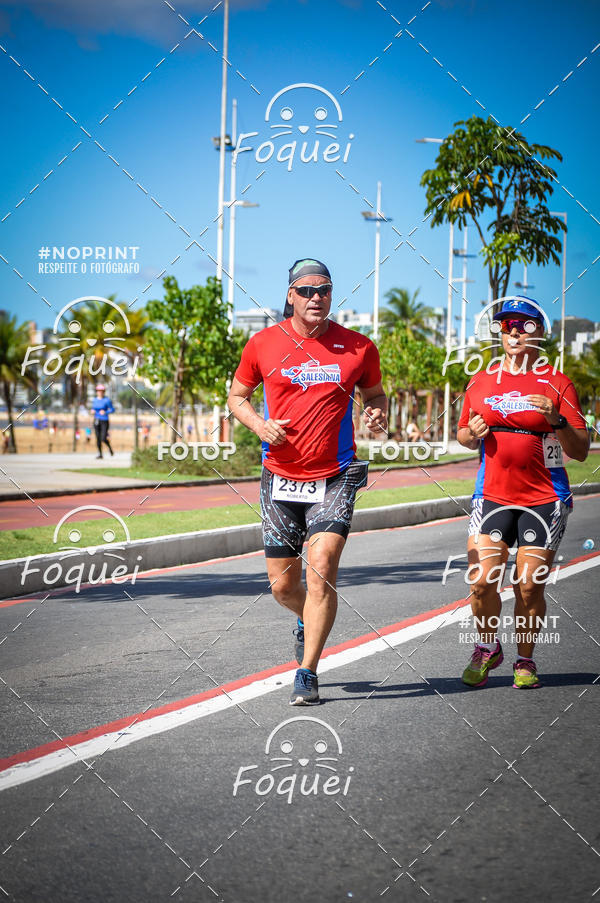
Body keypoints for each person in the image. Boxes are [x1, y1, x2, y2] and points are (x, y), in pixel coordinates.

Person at [228, 258, 387, 705]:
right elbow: (237, 397)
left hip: (335, 475)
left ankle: (307, 672)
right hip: (279, 476)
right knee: (283, 586)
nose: (316, 297)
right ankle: (308, 617)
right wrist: (260, 426)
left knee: (322, 569)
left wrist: (377, 411)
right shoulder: (262, 343)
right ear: (290, 296)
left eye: (324, 290)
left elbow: (375, 393)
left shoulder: (358, 347)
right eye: (306, 290)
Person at [457, 297, 589, 689]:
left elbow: (581, 449)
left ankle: (525, 659)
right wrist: (471, 435)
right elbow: (463, 433)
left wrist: (556, 419)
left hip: (544, 499)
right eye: (507, 325)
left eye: (525, 325)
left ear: (539, 332)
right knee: (481, 580)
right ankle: (487, 647)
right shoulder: (481, 381)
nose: (514, 332)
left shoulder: (558, 382)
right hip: (491, 495)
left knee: (528, 586)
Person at [92, 383, 115, 459]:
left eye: (101, 391)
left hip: (104, 420)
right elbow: (93, 408)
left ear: (104, 392)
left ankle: (110, 448)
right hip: (96, 420)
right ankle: (100, 454)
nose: (99, 392)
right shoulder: (95, 400)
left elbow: (112, 409)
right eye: (98, 390)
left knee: (103, 438)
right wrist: (92, 411)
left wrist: (105, 412)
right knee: (98, 438)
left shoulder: (107, 400)